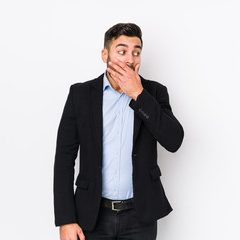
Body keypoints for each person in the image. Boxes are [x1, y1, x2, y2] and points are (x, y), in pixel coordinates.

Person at [53, 23, 184, 240]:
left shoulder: (154, 92)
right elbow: (64, 159)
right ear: (105, 55)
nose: (130, 59)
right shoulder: (81, 94)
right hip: (92, 215)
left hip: (140, 217)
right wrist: (66, 219)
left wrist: (139, 95)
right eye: (122, 51)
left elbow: (174, 141)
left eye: (136, 52)